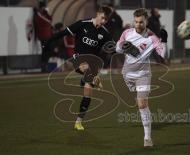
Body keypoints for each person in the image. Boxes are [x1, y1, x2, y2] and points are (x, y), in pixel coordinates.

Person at [44, 6, 113, 130]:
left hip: (93, 65)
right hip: (79, 60)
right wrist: (49, 40)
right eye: (102, 18)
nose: (103, 21)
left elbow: (112, 49)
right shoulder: (83, 24)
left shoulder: (104, 33)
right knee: (86, 69)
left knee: (88, 94)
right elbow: (64, 32)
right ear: (98, 13)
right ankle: (91, 78)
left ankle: (78, 122)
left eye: (106, 20)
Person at [116, 8, 168, 147]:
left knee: (142, 104)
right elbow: (117, 48)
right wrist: (124, 46)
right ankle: (138, 98)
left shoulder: (152, 37)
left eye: (141, 22)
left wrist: (164, 41)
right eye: (136, 22)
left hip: (143, 74)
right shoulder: (127, 33)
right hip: (127, 73)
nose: (138, 25)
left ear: (146, 21)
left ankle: (147, 138)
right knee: (137, 101)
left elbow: (163, 55)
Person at [33, 1, 53, 72]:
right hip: (43, 36)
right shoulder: (38, 14)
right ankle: (43, 66)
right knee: (45, 51)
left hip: (47, 35)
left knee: (48, 50)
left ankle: (44, 65)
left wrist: (47, 14)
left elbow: (50, 19)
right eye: (44, 7)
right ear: (42, 7)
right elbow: (48, 21)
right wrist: (47, 14)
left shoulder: (42, 14)